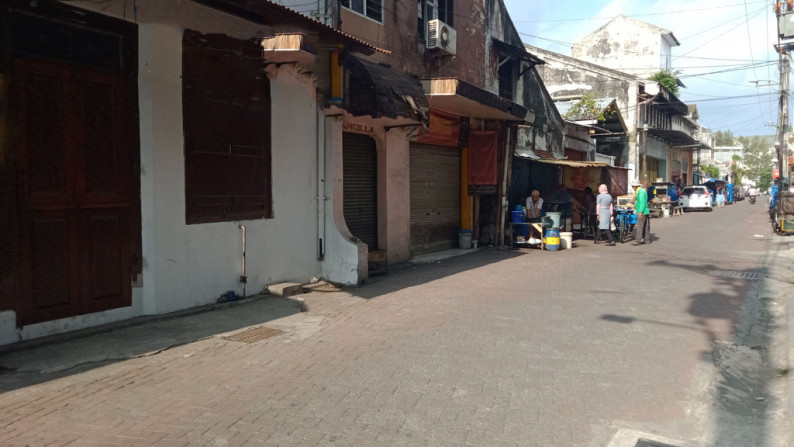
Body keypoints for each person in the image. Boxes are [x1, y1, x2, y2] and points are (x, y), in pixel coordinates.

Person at [632, 180, 650, 245]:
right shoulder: (640, 191)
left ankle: (638, 240)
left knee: (640, 226)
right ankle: (646, 240)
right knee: (645, 226)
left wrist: (640, 212)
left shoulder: (641, 192)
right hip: (645, 211)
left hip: (642, 211)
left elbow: (642, 202)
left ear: (634, 186)